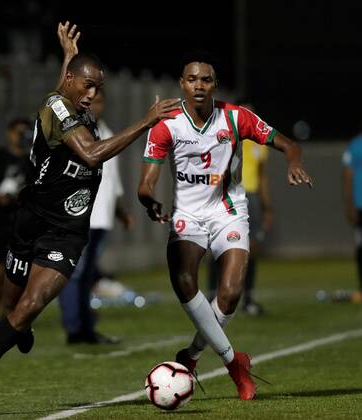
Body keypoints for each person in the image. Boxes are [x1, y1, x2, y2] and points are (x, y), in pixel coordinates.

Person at [0, 21, 180, 403]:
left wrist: (67, 57)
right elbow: (91, 153)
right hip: (31, 220)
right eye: (88, 86)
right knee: (11, 307)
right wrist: (146, 120)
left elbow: (68, 96)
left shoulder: (70, 101)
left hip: (67, 232)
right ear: (74, 81)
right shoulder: (58, 107)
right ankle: (19, 329)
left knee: (27, 308)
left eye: (99, 89)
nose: (93, 95)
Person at [137, 52, 312, 400]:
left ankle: (193, 355)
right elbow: (146, 182)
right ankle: (235, 363)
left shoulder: (236, 118)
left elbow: (288, 143)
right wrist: (148, 200)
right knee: (183, 280)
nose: (199, 85)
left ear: (214, 85)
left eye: (206, 80)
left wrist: (293, 163)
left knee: (230, 294)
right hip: (187, 215)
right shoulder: (166, 123)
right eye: (192, 79)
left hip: (228, 211)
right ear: (182, 84)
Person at [58, 89, 133, 344]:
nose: (95, 107)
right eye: (91, 102)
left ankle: (86, 328)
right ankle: (74, 328)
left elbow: (113, 180)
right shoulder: (75, 133)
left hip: (102, 217)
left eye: (100, 101)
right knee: (75, 273)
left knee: (88, 275)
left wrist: (121, 211)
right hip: (81, 217)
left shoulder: (107, 132)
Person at [208, 101, 273, 315]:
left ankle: (248, 298)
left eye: (250, 113)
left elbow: (262, 175)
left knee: (251, 248)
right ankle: (211, 296)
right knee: (216, 245)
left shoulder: (258, 142)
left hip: (251, 196)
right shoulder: (223, 134)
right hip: (226, 193)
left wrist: (267, 207)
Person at [0, 117, 32, 321]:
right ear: (9, 133)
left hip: (20, 219)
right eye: (16, 131)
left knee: (16, 265)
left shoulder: (32, 160)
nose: (19, 136)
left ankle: (4, 305)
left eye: (24, 132)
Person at [342, 132, 362, 304]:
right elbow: (347, 175)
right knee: (360, 247)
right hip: (360, 204)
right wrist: (350, 205)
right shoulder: (355, 146)